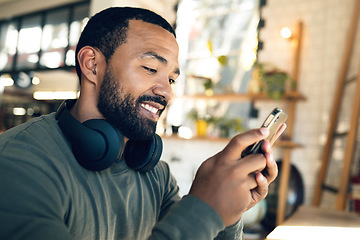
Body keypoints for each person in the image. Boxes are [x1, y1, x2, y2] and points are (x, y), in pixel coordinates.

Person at [0, 7, 281, 240]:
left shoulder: (156, 175)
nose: (166, 91)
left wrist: (227, 212)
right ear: (92, 64)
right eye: (150, 69)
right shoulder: (17, 164)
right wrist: (204, 208)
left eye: (171, 78)